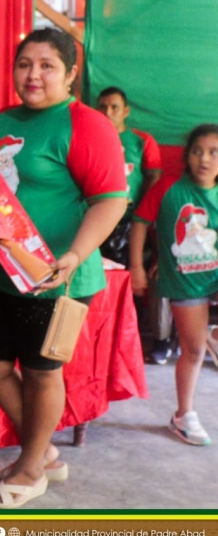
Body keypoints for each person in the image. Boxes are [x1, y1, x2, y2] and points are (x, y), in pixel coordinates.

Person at [0, 28, 127, 508]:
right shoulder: (1, 120)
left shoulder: (86, 124)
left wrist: (74, 255)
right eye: (24, 63)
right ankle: (40, 451)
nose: (33, 74)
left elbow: (111, 201)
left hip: (55, 281)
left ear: (70, 73)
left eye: (46, 65)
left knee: (43, 372)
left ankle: (31, 467)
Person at [129, 124, 218, 446]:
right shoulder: (168, 187)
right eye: (197, 151)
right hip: (185, 283)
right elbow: (139, 222)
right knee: (193, 350)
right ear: (187, 156)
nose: (204, 159)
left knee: (200, 342)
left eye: (213, 152)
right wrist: (137, 266)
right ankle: (183, 415)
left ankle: (213, 335)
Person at [96, 87, 172, 364]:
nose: (108, 112)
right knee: (100, 281)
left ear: (125, 111)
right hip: (99, 220)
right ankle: (101, 339)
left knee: (133, 283)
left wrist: (142, 215)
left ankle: (132, 341)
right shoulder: (91, 136)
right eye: (102, 106)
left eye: (114, 107)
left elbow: (154, 178)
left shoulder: (141, 141)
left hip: (133, 222)